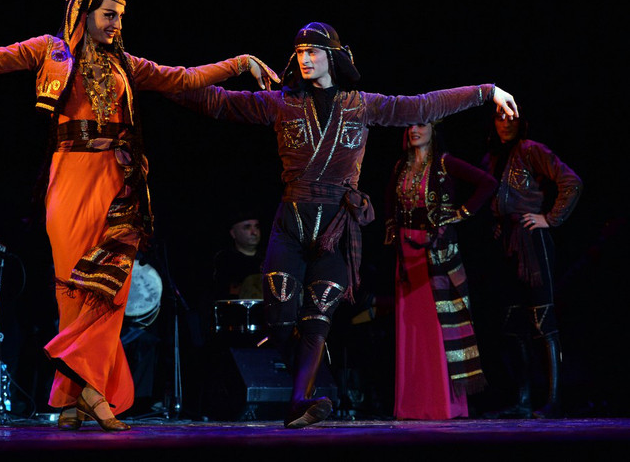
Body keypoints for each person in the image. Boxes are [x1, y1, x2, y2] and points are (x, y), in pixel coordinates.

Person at [0, 0, 274, 431]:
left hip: (118, 183)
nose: (116, 24)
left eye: (120, 16)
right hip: (69, 178)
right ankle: (79, 398)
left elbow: (185, 78)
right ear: (83, 12)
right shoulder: (50, 51)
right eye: (108, 14)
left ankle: (84, 394)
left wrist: (239, 63)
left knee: (112, 290)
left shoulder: (127, 64)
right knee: (73, 292)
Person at [167, 21, 519, 428]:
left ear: (332, 57)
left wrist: (487, 92)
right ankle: (303, 396)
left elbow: (423, 106)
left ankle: (299, 402)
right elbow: (215, 102)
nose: (305, 59)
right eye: (300, 53)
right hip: (292, 223)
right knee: (279, 323)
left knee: (317, 319)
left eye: (313, 52)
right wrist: (166, 81)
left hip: (336, 229)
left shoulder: (361, 105)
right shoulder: (281, 103)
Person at [383, 122, 496, 419]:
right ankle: (411, 405)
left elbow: (488, 183)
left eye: (422, 124)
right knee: (410, 329)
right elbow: (389, 203)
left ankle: (442, 404)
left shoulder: (444, 163)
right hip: (407, 255)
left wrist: (461, 214)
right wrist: (392, 232)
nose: (414, 129)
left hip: (435, 252)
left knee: (438, 327)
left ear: (434, 129)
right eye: (410, 124)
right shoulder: (400, 167)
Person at [481, 104, 582, 419]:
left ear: (522, 122)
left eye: (512, 118)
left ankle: (553, 400)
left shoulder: (530, 149)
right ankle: (523, 399)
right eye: (501, 117)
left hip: (531, 241)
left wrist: (550, 219)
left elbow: (571, 181)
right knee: (513, 323)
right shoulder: (491, 158)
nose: (506, 123)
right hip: (506, 243)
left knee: (542, 320)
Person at [213, 210, 265, 300]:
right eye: (247, 227)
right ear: (233, 233)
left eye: (257, 227)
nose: (254, 232)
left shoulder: (270, 257)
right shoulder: (225, 260)